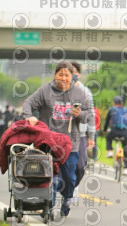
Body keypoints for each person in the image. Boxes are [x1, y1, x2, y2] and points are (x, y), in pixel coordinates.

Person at [22, 61, 94, 217]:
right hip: (47, 142)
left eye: (66, 75)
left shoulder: (79, 93)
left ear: (72, 76)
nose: (63, 78)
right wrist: (29, 116)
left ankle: (67, 198)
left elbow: (89, 115)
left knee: (70, 177)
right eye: (60, 74)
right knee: (51, 177)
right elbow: (29, 103)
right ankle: (49, 206)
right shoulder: (45, 90)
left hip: (70, 143)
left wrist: (80, 114)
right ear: (55, 75)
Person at [70, 62, 95, 191]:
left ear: (79, 74)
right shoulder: (58, 90)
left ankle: (73, 187)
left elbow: (91, 115)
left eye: (73, 72)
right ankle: (64, 190)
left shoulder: (86, 92)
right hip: (61, 134)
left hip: (80, 134)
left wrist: (91, 136)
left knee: (80, 166)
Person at [103, 96, 127, 176]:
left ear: (114, 103)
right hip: (125, 133)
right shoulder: (126, 110)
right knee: (126, 149)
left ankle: (110, 151)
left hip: (114, 132)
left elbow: (107, 121)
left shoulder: (111, 110)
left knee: (108, 137)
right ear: (122, 103)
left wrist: (105, 130)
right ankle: (126, 168)